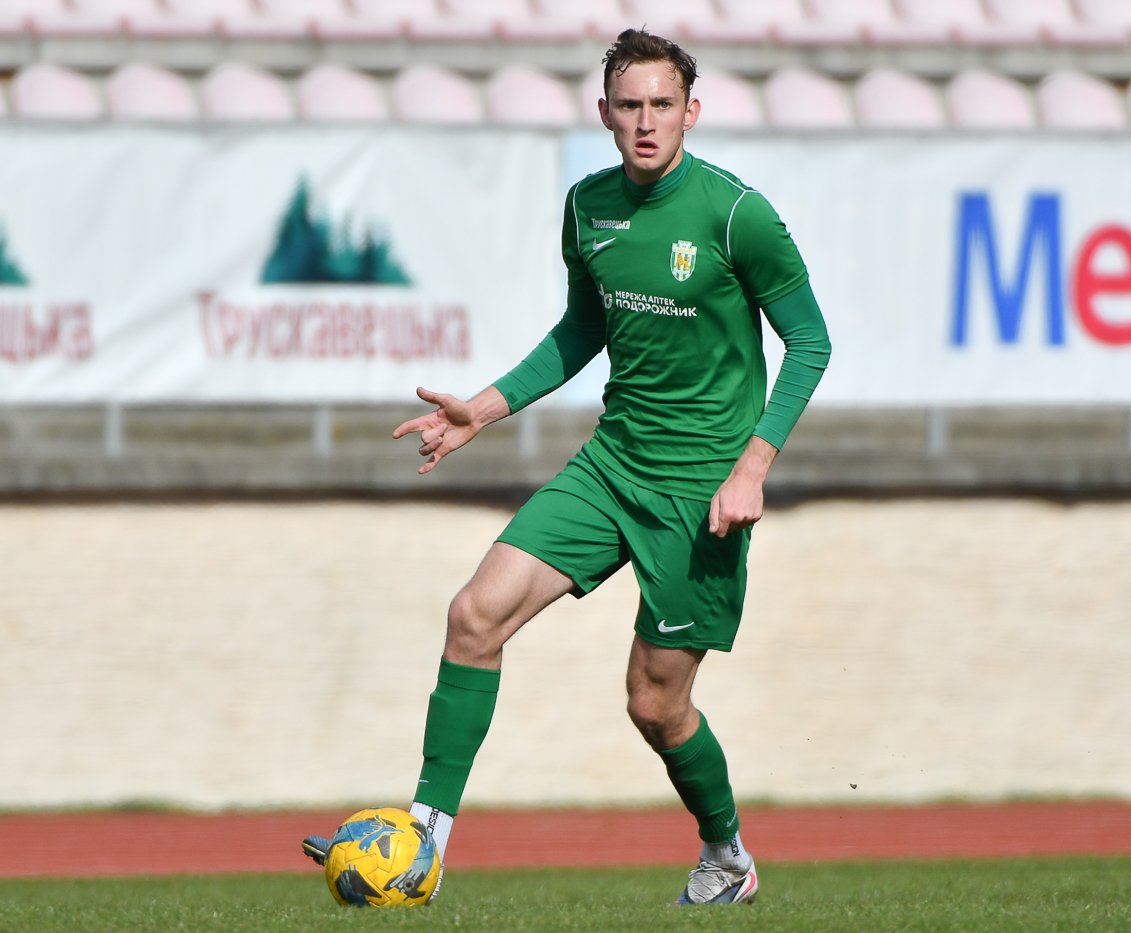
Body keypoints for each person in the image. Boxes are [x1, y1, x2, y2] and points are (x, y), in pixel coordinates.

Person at [304, 27, 831, 906]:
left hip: (702, 493)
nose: (646, 122)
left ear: (692, 112)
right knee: (473, 615)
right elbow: (583, 330)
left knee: (655, 704)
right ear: (604, 114)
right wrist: (483, 408)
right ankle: (424, 839)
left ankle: (728, 857)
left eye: (663, 105)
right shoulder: (588, 207)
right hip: (611, 465)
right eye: (630, 106)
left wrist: (753, 466)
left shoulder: (738, 215)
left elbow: (809, 342)